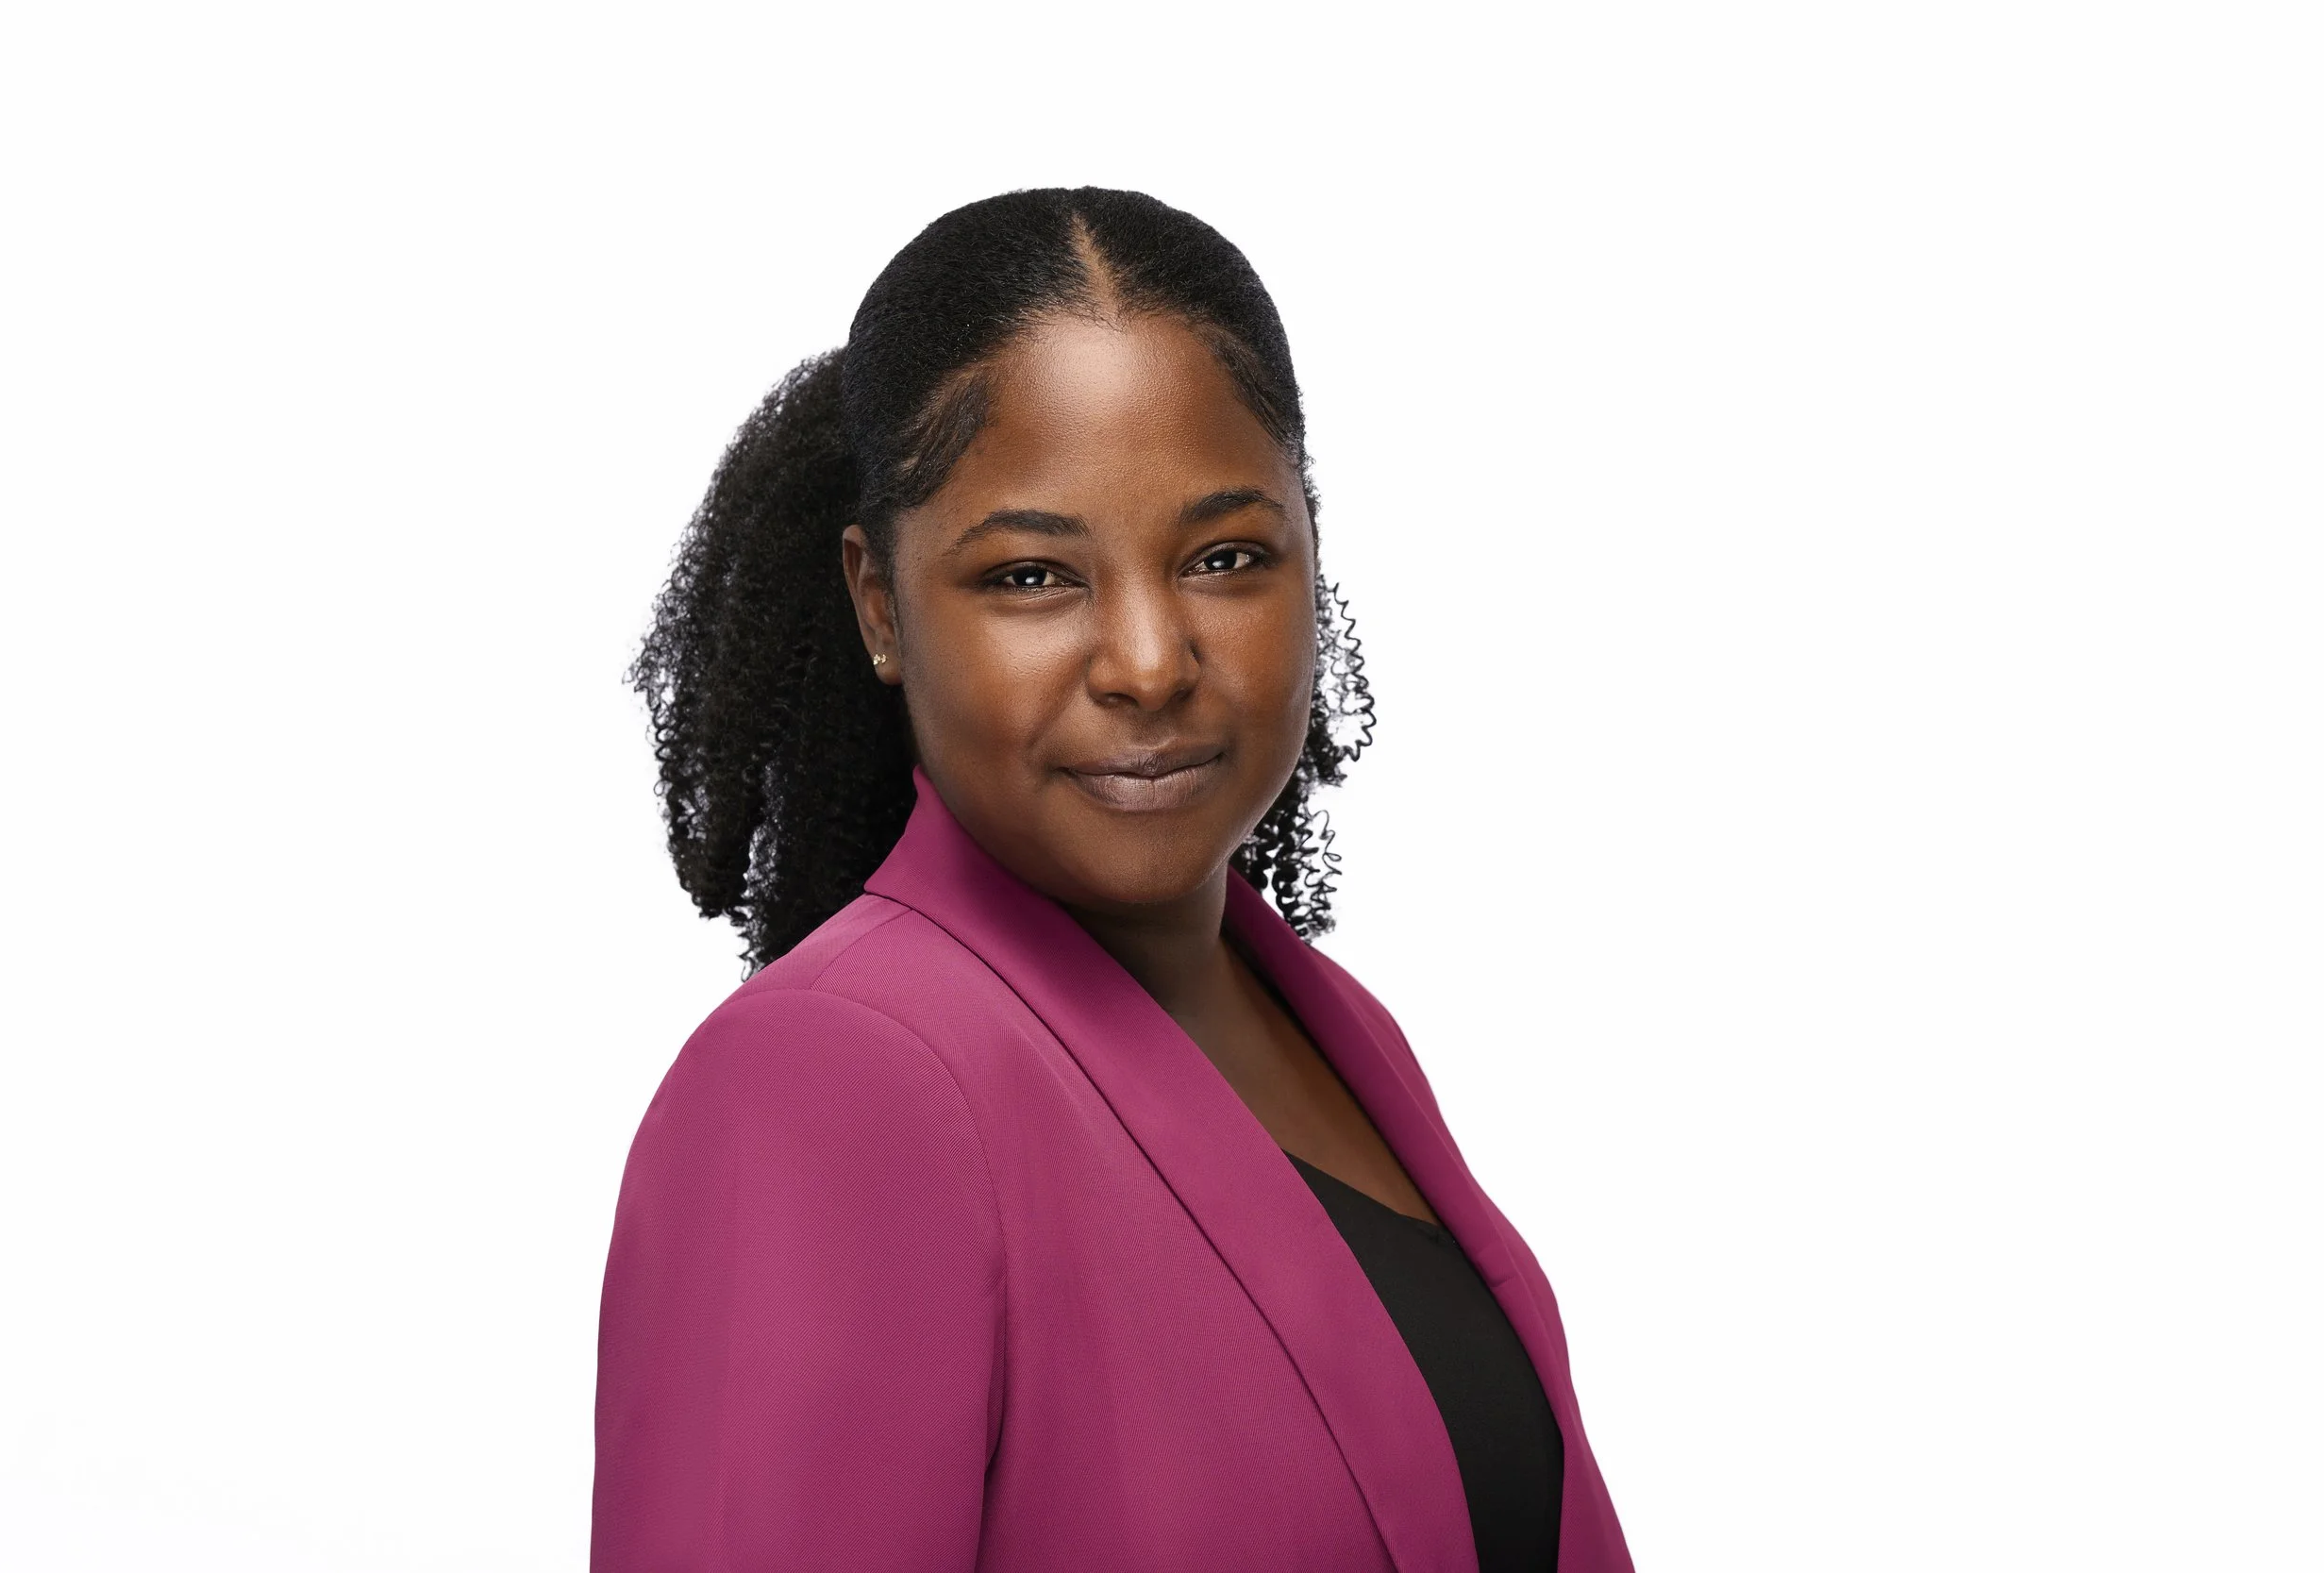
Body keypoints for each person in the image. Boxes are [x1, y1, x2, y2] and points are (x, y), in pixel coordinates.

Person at [594, 187, 1635, 1573]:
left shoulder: (1337, 1031)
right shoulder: (830, 1080)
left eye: (1224, 557)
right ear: (879, 604)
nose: (1149, 660)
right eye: (1032, 574)